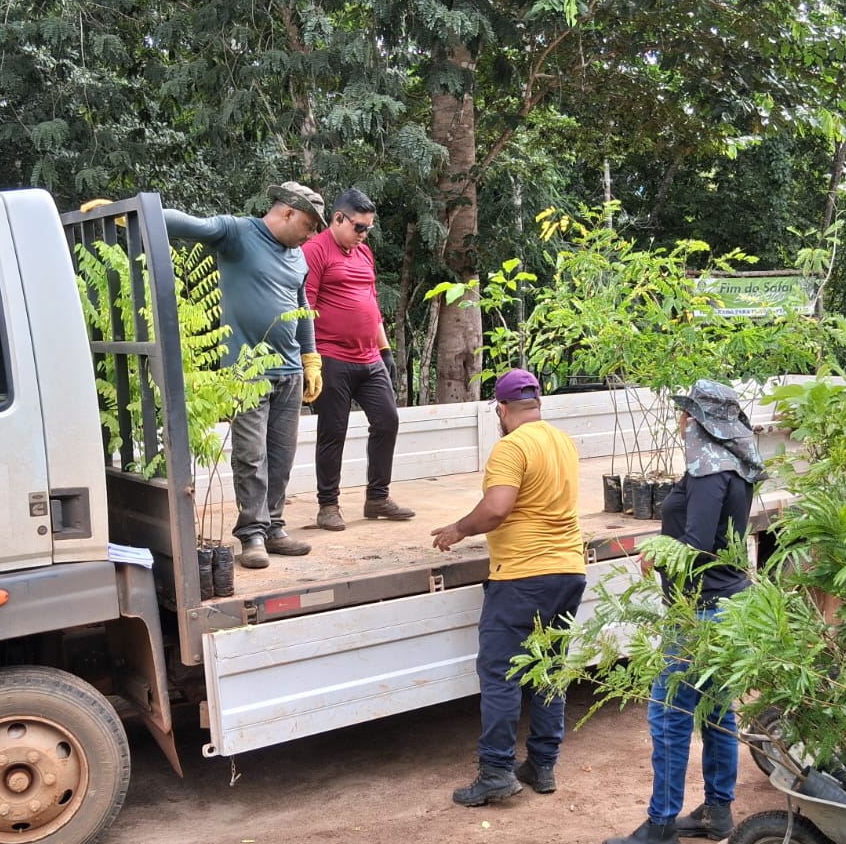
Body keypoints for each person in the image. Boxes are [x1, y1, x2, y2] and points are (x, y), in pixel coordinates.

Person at [602, 380, 764, 844]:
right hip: (726, 601)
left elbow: (696, 548)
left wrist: (657, 555)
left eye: (687, 414)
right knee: (716, 709)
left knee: (669, 712)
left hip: (702, 610)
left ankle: (660, 827)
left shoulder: (710, 472)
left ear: (699, 420)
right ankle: (717, 809)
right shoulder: (731, 463)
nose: (680, 421)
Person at [431, 368, 586, 806]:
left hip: (523, 574)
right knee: (549, 670)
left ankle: (497, 770)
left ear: (501, 408)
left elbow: (498, 508)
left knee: (501, 673)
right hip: (569, 569)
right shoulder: (562, 441)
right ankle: (542, 764)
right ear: (537, 404)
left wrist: (459, 529)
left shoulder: (511, 446)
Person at [164, 182, 327, 569]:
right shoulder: (237, 233)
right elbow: (188, 224)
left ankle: (274, 527)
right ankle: (252, 533)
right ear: (287, 212)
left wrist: (310, 357)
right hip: (246, 372)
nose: (310, 235)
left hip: (288, 372)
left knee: (281, 456)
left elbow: (301, 305)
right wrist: (136, 215)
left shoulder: (299, 257)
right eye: (307, 225)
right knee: (251, 455)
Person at [303, 188, 415, 530]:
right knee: (332, 431)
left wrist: (385, 351)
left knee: (387, 421)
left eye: (368, 228)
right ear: (338, 218)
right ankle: (328, 505)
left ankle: (377, 497)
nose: (364, 234)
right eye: (359, 227)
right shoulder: (315, 251)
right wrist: (310, 358)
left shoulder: (364, 253)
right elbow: (304, 307)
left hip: (369, 357)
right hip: (332, 356)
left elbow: (371, 304)